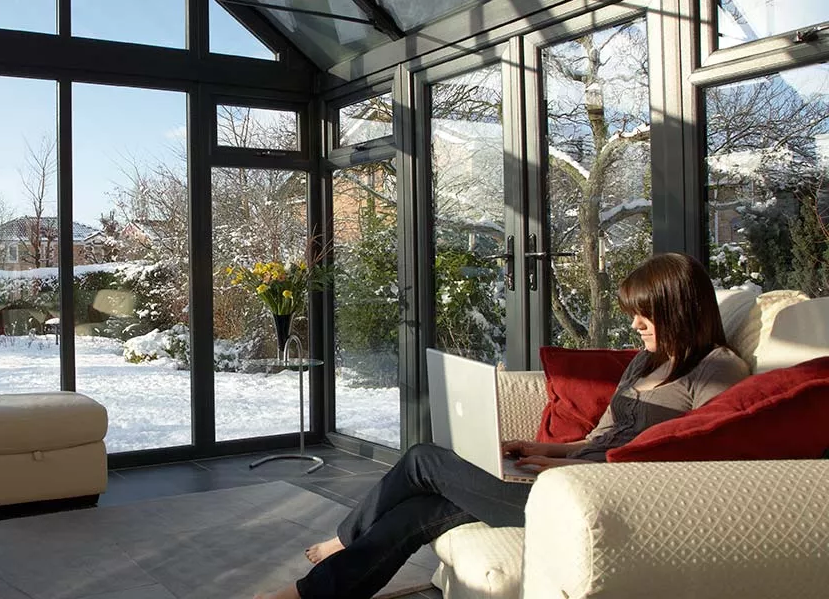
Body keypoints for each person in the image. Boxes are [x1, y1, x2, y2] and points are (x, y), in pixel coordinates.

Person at [254, 252, 750, 599]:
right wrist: (536, 449)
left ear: (681, 310)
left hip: (595, 499)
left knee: (424, 458)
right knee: (419, 512)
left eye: (647, 315)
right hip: (563, 479)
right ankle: (309, 594)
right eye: (634, 315)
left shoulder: (717, 369)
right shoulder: (645, 362)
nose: (637, 326)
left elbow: (687, 455)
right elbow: (598, 438)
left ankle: (346, 536)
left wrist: (566, 470)